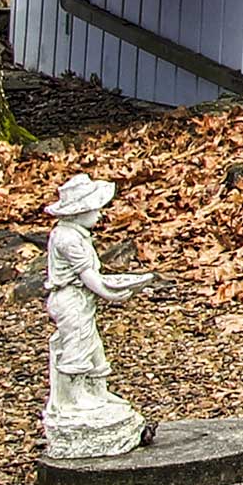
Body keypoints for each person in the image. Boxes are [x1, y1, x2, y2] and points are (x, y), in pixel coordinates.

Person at [41, 173, 156, 459]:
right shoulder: (68, 238)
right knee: (77, 344)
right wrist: (111, 293)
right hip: (70, 298)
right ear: (80, 211)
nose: (100, 213)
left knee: (92, 346)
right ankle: (75, 398)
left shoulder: (75, 234)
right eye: (95, 208)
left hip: (81, 298)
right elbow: (87, 275)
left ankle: (95, 389)